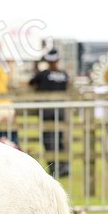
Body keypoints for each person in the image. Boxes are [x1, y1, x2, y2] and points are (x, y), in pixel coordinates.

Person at [29, 49, 71, 177]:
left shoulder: (43, 74)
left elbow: (31, 82)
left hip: (47, 111)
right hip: (60, 111)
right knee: (59, 140)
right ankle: (63, 167)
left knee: (48, 140)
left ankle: (53, 168)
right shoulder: (64, 74)